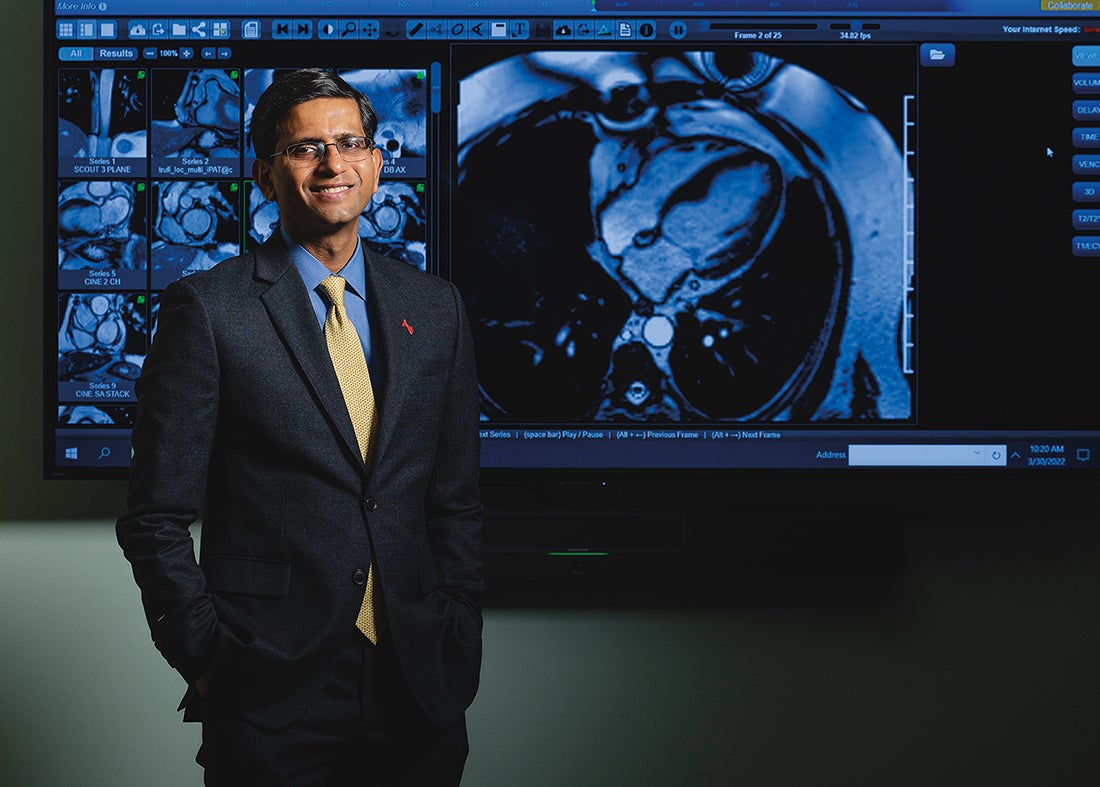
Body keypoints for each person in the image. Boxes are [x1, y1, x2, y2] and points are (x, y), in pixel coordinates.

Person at [116, 68, 484, 786]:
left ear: (377, 163)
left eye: (349, 143)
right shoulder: (209, 309)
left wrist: (457, 629)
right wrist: (210, 656)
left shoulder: (438, 309)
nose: (332, 164)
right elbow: (155, 515)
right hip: (269, 685)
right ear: (264, 173)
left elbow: (456, 499)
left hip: (417, 681)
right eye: (305, 148)